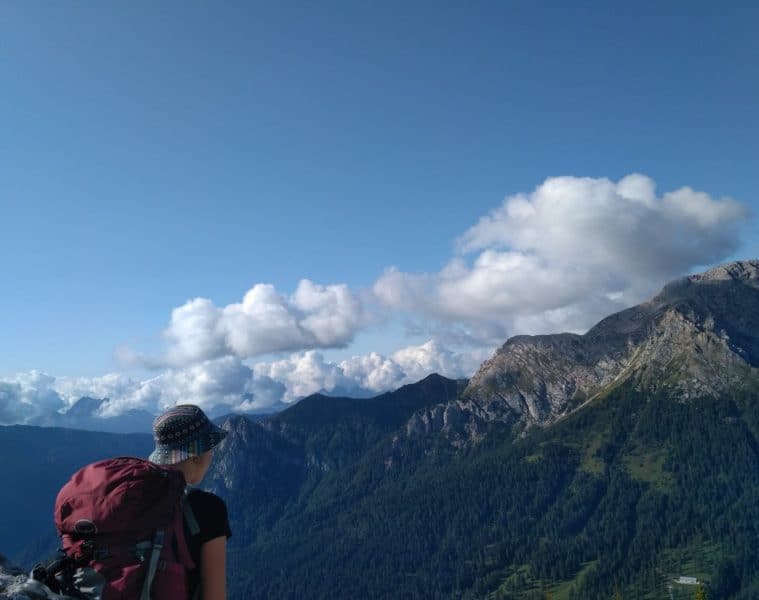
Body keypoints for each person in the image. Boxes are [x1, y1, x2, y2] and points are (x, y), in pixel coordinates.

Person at [148, 404, 231, 600]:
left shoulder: (129, 497)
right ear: (197, 457)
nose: (212, 455)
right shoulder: (208, 508)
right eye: (210, 448)